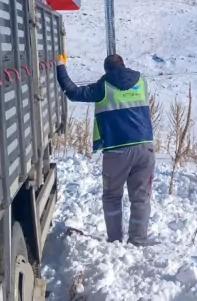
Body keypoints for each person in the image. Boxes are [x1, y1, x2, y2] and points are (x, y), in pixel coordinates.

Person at [55, 52, 156, 246]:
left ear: (106, 69)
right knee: (141, 198)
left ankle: (115, 240)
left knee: (112, 197)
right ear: (124, 64)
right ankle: (138, 240)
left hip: (117, 151)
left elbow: (73, 93)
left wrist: (60, 66)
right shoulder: (141, 81)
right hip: (145, 148)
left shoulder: (104, 86)